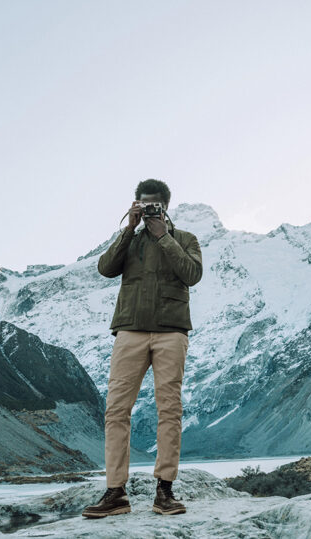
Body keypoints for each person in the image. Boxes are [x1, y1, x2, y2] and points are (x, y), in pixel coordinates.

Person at [82, 178, 202, 518]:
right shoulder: (129, 241)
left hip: (171, 333)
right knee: (116, 410)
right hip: (130, 332)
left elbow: (192, 274)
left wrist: (163, 236)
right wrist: (128, 229)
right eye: (143, 204)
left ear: (165, 206)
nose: (149, 209)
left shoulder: (185, 239)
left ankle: (164, 490)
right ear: (136, 204)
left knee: (170, 410)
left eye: (154, 205)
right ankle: (115, 492)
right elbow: (105, 268)